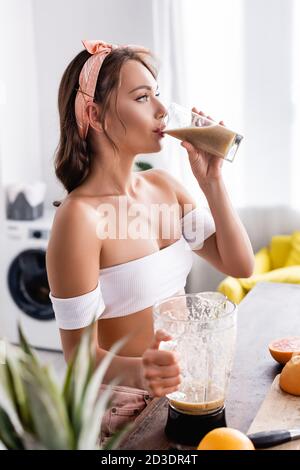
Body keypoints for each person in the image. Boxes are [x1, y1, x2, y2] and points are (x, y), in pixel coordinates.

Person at [46, 39, 254, 445]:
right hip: (124, 405)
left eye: (157, 95)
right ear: (95, 114)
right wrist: (145, 371)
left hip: (185, 387)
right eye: (143, 98)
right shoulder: (78, 219)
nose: (161, 110)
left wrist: (211, 180)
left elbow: (240, 265)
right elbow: (78, 359)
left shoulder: (164, 186)